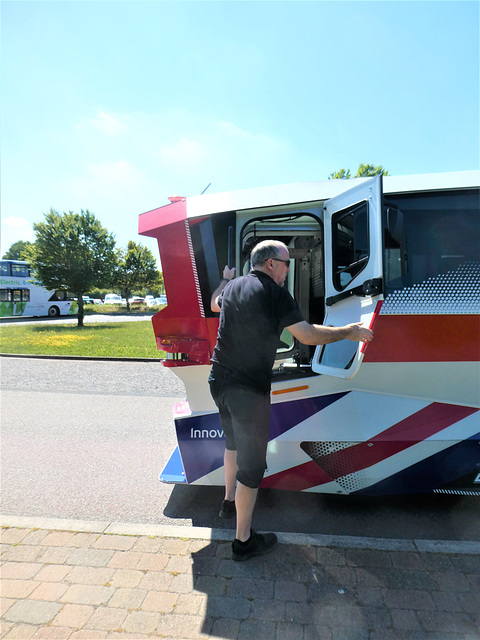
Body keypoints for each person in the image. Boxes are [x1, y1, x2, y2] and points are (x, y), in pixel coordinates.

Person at [209, 240, 373, 561]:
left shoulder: (234, 287)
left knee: (232, 443)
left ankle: (228, 503)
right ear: (271, 264)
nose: (287, 270)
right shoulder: (275, 293)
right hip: (248, 390)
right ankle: (243, 542)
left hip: (220, 380)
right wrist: (347, 332)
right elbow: (308, 335)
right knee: (253, 466)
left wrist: (226, 277)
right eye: (286, 263)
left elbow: (216, 302)